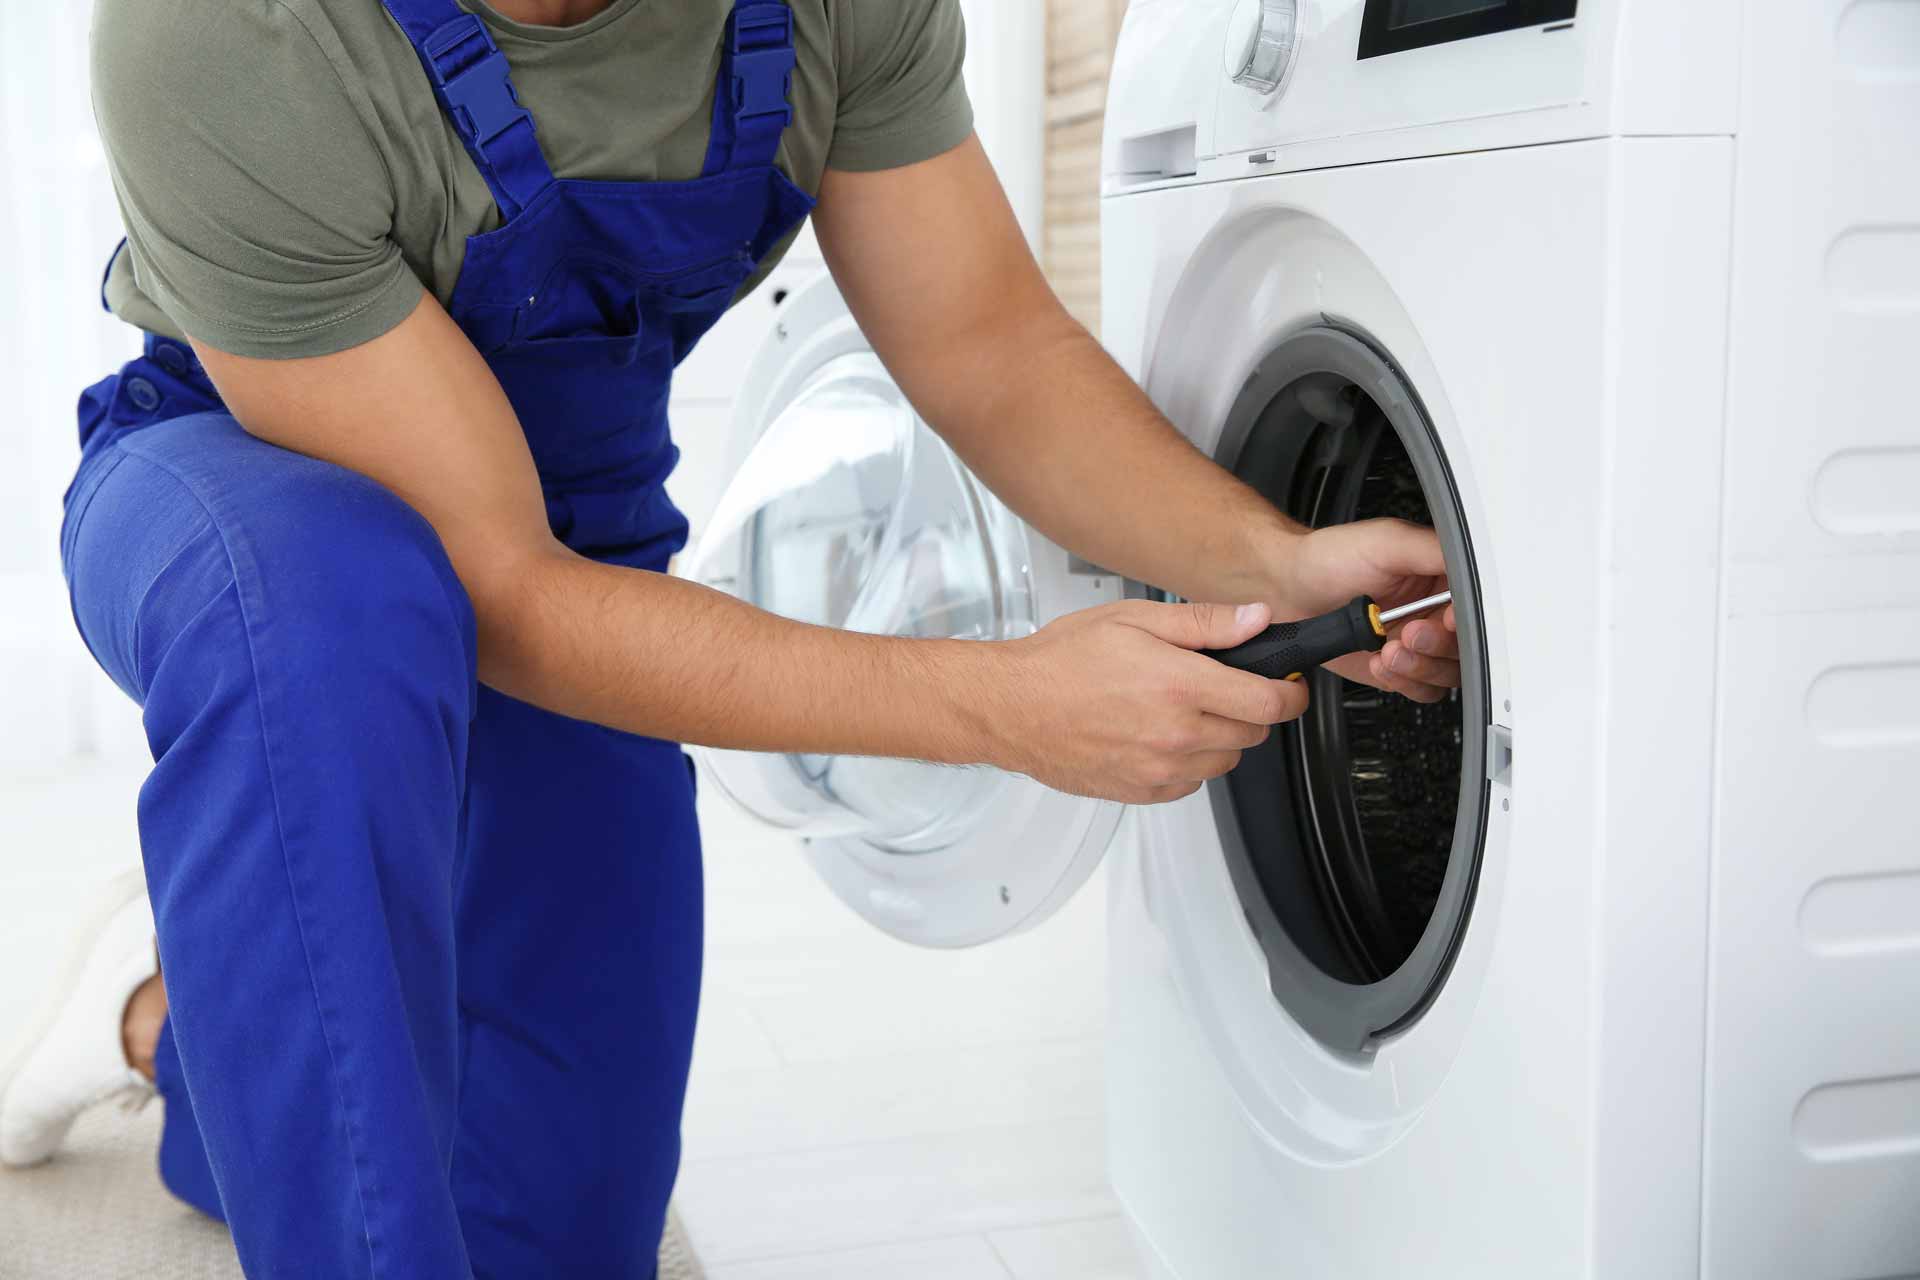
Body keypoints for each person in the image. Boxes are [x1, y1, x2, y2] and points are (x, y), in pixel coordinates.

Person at [0, 0, 1462, 1274]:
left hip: (579, 531)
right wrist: (999, 707)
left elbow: (989, 350)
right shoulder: (226, 29)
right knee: (334, 610)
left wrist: (1281, 559)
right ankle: (275, 928)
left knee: (558, 1232)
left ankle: (174, 1028)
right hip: (253, 495)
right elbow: (492, 581)